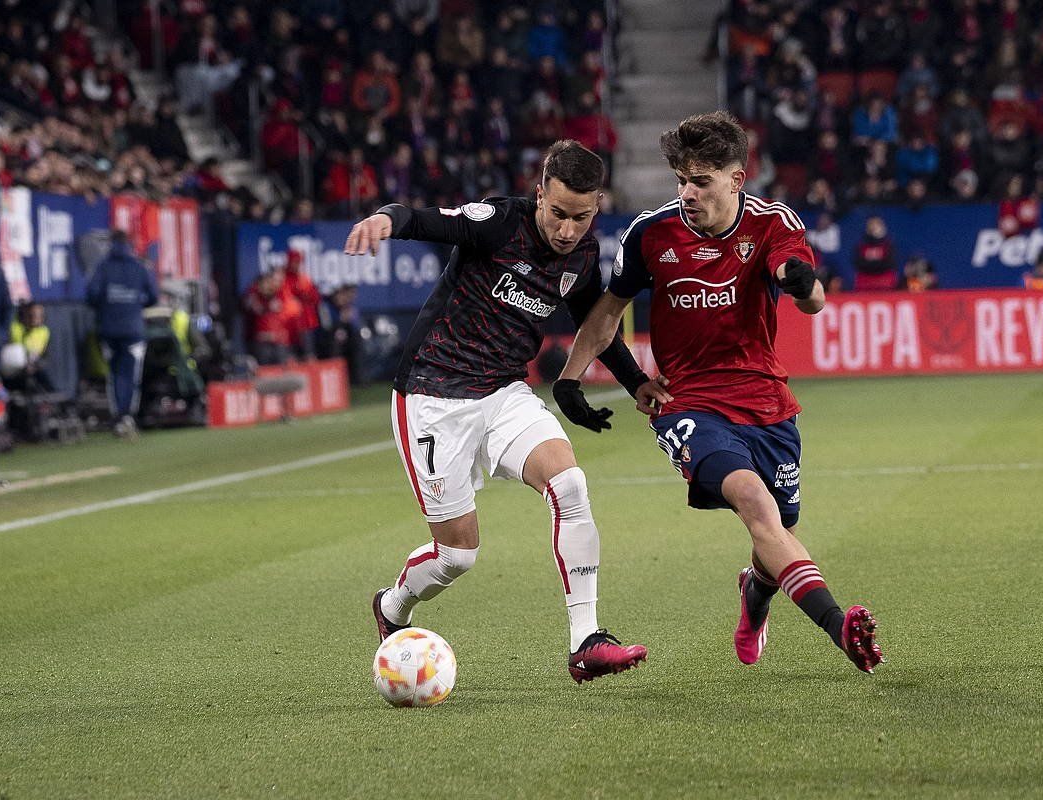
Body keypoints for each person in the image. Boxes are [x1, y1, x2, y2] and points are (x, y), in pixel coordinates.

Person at [553, 112, 884, 675]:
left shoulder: (773, 222)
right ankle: (841, 628)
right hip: (688, 403)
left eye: (701, 181)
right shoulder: (649, 234)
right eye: (681, 179)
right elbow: (608, 312)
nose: (687, 193)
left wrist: (804, 287)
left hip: (766, 401)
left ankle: (755, 594)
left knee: (777, 531)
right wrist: (570, 377)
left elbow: (812, 297)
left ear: (736, 179)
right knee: (757, 506)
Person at [343, 140, 660, 683]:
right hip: (431, 394)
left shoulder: (583, 255)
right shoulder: (497, 222)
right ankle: (392, 606)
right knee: (457, 556)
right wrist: (383, 220)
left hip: (503, 392)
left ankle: (586, 641)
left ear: (596, 207)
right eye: (558, 214)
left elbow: (595, 325)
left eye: (580, 218)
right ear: (539, 195)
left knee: (571, 486)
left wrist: (636, 383)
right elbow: (422, 219)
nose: (567, 229)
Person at [86, 230, 158, 438]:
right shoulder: (139, 267)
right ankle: (127, 416)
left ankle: (118, 416)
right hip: (133, 329)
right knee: (131, 375)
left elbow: (91, 295)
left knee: (114, 374)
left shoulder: (103, 267)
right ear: (129, 244)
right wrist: (136, 304)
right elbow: (153, 296)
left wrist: (107, 307)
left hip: (109, 329)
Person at [7, 302, 54, 391]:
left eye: (39, 315)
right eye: (31, 315)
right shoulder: (14, 328)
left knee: (43, 378)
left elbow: (46, 356)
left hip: (34, 368)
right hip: (13, 370)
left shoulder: (44, 332)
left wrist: (35, 366)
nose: (35, 318)